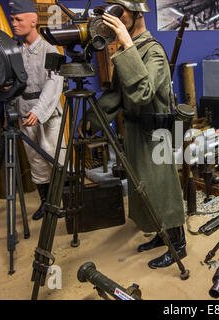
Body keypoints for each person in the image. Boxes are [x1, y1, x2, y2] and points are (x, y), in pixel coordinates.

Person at [79, 0, 187, 269]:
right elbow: (117, 93)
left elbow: (142, 93)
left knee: (162, 187)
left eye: (120, 11)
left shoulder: (153, 52)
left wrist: (126, 43)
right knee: (143, 187)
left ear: (137, 13)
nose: (114, 17)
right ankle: (162, 235)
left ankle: (179, 244)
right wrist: (92, 120)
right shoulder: (133, 50)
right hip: (136, 130)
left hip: (155, 132)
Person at [9, 0, 65, 220]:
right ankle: (45, 203)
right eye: (12, 19)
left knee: (54, 156)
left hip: (47, 113)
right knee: (36, 161)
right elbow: (14, 84)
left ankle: (60, 202)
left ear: (33, 21)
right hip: (24, 110)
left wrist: (39, 112)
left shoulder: (50, 50)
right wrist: (12, 113)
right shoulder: (15, 52)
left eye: (19, 19)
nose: (14, 23)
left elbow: (54, 83)